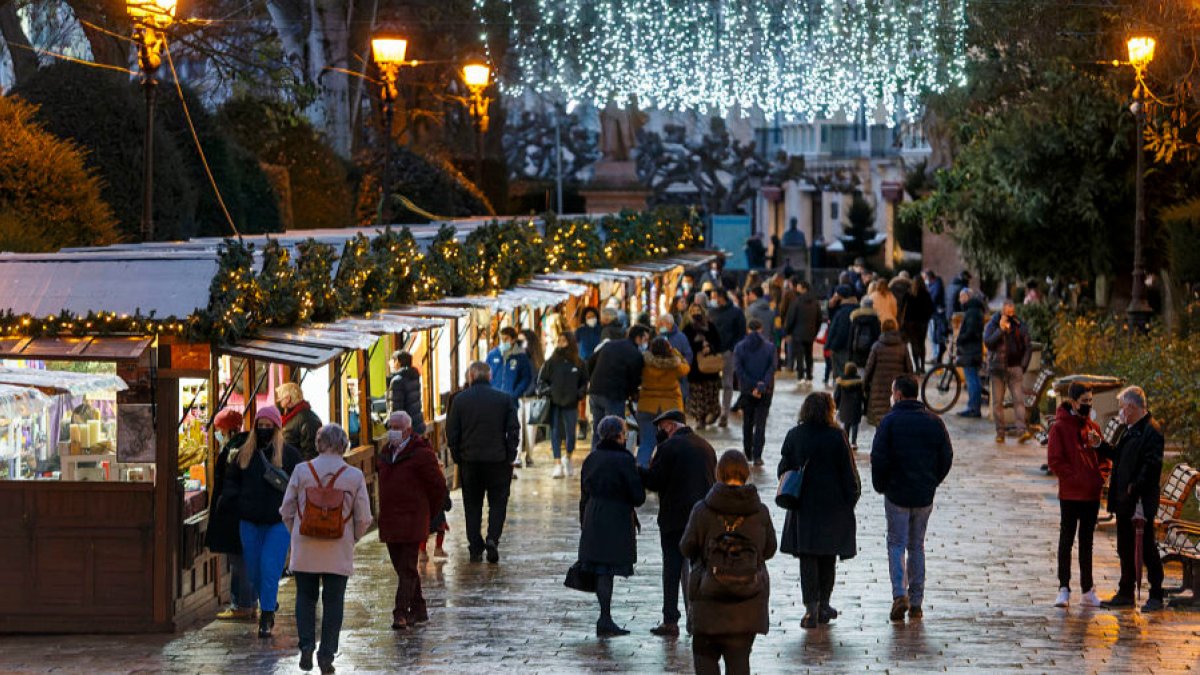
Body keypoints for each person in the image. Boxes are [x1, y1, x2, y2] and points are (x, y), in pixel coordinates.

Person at [280, 424, 372, 674]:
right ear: (343, 445)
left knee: (305, 598)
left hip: (305, 548)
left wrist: (297, 533)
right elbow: (364, 518)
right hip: (338, 548)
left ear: (319, 444)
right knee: (334, 602)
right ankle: (327, 654)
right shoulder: (353, 476)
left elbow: (286, 510)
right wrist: (350, 538)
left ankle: (307, 646)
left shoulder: (301, 471)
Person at [680, 450, 776, 674]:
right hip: (746, 604)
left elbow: (686, 547)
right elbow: (769, 549)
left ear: (719, 473)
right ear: (745, 473)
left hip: (707, 603)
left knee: (705, 662)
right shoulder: (760, 512)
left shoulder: (702, 511)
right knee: (739, 663)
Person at [870, 375, 954, 622]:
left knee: (896, 543)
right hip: (923, 494)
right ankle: (916, 601)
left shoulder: (889, 422)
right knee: (916, 546)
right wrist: (932, 481)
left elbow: (878, 457)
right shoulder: (934, 422)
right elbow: (946, 456)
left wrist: (881, 484)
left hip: (896, 493)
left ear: (897, 394)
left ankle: (899, 594)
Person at [778, 392, 859, 628]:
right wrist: (849, 501)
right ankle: (824, 602)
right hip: (833, 507)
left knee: (808, 558)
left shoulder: (795, 435)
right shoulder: (837, 436)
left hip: (803, 506)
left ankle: (810, 608)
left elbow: (783, 469)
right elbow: (848, 473)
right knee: (827, 557)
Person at [222, 405, 302, 638]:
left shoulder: (288, 455)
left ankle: (266, 615)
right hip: (249, 521)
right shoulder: (244, 454)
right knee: (254, 570)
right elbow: (231, 480)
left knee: (269, 567)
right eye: (261, 425)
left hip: (278, 522)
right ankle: (268, 600)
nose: (264, 429)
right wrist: (236, 502)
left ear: (276, 428)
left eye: (269, 426)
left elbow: (301, 483)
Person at [639, 409, 718, 636]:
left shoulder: (668, 448)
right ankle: (699, 618)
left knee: (672, 568)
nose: (660, 433)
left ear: (671, 426)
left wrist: (639, 472)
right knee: (699, 569)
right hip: (702, 519)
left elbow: (655, 481)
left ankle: (670, 621)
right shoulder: (705, 446)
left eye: (662, 428)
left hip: (674, 518)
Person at [376, 412, 448, 629]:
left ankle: (400, 613)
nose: (392, 430)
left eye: (397, 427)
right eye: (391, 426)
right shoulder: (385, 453)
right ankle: (419, 609)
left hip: (412, 520)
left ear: (408, 430)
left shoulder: (421, 454)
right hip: (390, 521)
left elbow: (438, 487)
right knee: (402, 568)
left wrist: (427, 513)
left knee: (407, 568)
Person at [1098, 386, 1166, 611]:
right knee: (1124, 546)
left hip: (1139, 501)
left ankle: (1156, 593)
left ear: (1132, 407)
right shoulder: (1130, 428)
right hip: (1125, 501)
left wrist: (1134, 487)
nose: (1120, 412)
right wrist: (1100, 446)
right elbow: (1120, 455)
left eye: (1122, 408)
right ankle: (1126, 590)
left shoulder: (1151, 431)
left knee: (1146, 547)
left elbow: (1151, 465)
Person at [579, 416, 646, 637]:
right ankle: (605, 619)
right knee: (607, 570)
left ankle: (605, 617)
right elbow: (638, 496)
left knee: (600, 569)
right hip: (615, 518)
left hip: (593, 516)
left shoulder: (592, 458)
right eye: (624, 434)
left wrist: (584, 523)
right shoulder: (624, 460)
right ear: (619, 435)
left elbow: (584, 494)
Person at [447, 362, 520, 563]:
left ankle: (475, 546)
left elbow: (452, 432)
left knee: (472, 505)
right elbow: (513, 429)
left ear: (471, 376)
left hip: (470, 461)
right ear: (489, 377)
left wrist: (457, 457)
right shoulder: (504, 399)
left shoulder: (460, 401)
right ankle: (492, 538)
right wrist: (510, 454)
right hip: (498, 460)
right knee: (498, 503)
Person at [1046, 383, 1105, 609]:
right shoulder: (1060, 427)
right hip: (1071, 494)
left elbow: (1103, 457)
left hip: (1091, 494)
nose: (1088, 406)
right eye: (1084, 402)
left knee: (1087, 542)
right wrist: (1075, 477)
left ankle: (1087, 589)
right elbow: (1055, 460)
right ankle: (1064, 587)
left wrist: (1099, 477)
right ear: (1073, 402)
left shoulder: (1093, 427)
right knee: (1066, 540)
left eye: (1090, 401)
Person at [206, 408, 255, 622]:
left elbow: (230, 484)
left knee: (239, 560)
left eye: (219, 430)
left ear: (227, 430)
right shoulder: (245, 445)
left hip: (235, 512)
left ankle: (242, 604)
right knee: (242, 558)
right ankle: (248, 602)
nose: (217, 435)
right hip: (241, 511)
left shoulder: (235, 450)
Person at [539, 332, 589, 477]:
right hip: (554, 402)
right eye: (559, 340)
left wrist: (579, 394)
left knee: (570, 434)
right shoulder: (551, 361)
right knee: (555, 433)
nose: (560, 343)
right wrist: (548, 391)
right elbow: (542, 379)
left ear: (570, 342)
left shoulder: (579, 363)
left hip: (571, 403)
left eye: (564, 340)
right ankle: (557, 464)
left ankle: (567, 456)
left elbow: (584, 382)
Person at [587, 324, 651, 439]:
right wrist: (632, 394)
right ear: (638, 338)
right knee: (614, 430)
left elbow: (591, 362)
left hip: (595, 391)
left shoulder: (609, 344)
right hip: (614, 395)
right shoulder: (635, 355)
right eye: (645, 339)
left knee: (598, 429)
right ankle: (612, 455)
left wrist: (592, 380)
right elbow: (634, 380)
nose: (645, 343)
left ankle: (596, 454)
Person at [983, 300, 1033, 444]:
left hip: (1015, 367)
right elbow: (988, 343)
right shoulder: (992, 325)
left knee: (1018, 400)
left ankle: (1022, 431)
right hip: (997, 368)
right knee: (997, 402)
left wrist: (1023, 366)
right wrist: (1001, 330)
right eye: (1007, 313)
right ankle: (1000, 432)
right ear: (1002, 312)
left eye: (1012, 312)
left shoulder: (1019, 325)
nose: (1010, 315)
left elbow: (1027, 346)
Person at [637, 337, 691, 467]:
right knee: (673, 443)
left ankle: (640, 473)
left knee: (647, 442)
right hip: (671, 409)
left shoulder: (644, 363)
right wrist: (675, 352)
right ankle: (669, 474)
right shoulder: (675, 366)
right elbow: (686, 368)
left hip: (647, 406)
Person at [734, 319, 777, 466]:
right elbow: (772, 368)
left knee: (748, 421)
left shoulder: (740, 347)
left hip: (747, 390)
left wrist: (752, 386)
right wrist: (761, 385)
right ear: (761, 329)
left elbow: (739, 371)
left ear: (748, 329)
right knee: (760, 423)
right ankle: (757, 455)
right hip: (765, 390)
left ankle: (748, 452)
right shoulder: (770, 347)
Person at [708, 290, 747, 427]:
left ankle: (724, 413)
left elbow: (741, 332)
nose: (713, 300)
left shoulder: (736, 312)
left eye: (714, 297)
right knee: (712, 383)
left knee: (727, 383)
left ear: (721, 297)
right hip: (713, 353)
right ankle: (714, 410)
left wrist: (732, 348)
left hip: (728, 352)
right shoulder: (711, 311)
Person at [863, 319, 913, 426]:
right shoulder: (903, 347)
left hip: (878, 390)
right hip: (897, 390)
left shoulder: (876, 346)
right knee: (895, 422)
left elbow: (868, 369)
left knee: (880, 424)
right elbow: (909, 370)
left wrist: (865, 386)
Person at [683, 304, 722, 430]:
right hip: (695, 370)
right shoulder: (688, 329)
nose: (696, 313)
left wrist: (710, 347)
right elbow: (686, 346)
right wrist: (699, 347)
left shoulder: (710, 326)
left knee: (711, 394)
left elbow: (718, 342)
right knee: (698, 396)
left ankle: (713, 414)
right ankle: (700, 418)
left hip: (710, 369)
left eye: (698, 310)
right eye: (693, 311)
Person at [783, 280, 821, 384]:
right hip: (810, 333)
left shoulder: (797, 302)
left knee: (799, 356)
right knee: (809, 355)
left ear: (804, 288)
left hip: (797, 333)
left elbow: (791, 318)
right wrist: (815, 331)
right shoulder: (815, 302)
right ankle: (809, 375)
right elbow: (819, 319)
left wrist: (787, 332)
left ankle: (801, 377)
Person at [955, 290, 985, 418]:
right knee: (973, 379)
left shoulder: (972, 311)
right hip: (973, 350)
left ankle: (973, 408)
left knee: (972, 380)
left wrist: (960, 339)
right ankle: (973, 406)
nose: (960, 299)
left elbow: (971, 331)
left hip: (970, 350)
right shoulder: (975, 310)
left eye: (962, 296)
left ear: (968, 297)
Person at [276, 382, 322, 460]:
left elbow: (310, 453)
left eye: (280, 399)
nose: (278, 403)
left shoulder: (307, 419)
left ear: (288, 399)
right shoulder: (292, 417)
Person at [486, 327, 534, 400]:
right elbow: (485, 374)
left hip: (511, 400)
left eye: (506, 339)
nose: (503, 341)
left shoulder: (521, 357)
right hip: (493, 399)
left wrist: (515, 394)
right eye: (501, 339)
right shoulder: (492, 355)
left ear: (513, 340)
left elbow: (526, 378)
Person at [656, 313, 694, 401]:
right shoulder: (659, 336)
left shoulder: (681, 337)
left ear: (669, 324)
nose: (659, 326)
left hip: (678, 379)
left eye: (661, 324)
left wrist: (681, 368)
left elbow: (688, 355)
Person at [388, 351, 426, 435]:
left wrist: (389, 424)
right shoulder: (414, 376)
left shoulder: (397, 381)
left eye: (393, 361)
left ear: (398, 361)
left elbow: (396, 410)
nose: (391, 364)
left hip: (406, 431)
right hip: (418, 425)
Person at [903, 274, 935, 373]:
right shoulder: (926, 294)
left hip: (911, 323)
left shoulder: (909, 294)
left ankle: (916, 367)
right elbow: (931, 309)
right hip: (923, 322)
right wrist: (926, 318)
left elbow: (904, 308)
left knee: (914, 344)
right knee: (922, 344)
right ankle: (922, 367)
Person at [825, 288, 858, 385]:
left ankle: (840, 396)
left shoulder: (842, 312)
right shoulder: (853, 307)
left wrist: (831, 345)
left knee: (840, 375)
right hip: (853, 346)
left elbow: (837, 330)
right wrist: (831, 307)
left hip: (841, 347)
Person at [833, 363, 866, 451]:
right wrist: (865, 406)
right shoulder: (859, 381)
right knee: (855, 424)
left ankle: (846, 441)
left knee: (846, 425)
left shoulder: (841, 381)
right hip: (856, 406)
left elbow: (837, 395)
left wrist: (835, 405)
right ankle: (854, 442)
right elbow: (863, 395)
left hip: (844, 406)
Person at [847, 296, 881, 369]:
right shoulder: (875, 320)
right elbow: (878, 338)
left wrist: (850, 357)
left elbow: (851, 338)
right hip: (871, 353)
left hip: (857, 354)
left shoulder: (855, 319)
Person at [924, 269, 948, 365]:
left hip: (935, 314)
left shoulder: (936, 286)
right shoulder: (933, 285)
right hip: (933, 314)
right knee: (932, 335)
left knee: (935, 335)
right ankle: (935, 356)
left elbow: (932, 299)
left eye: (925, 277)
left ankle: (936, 356)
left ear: (929, 277)